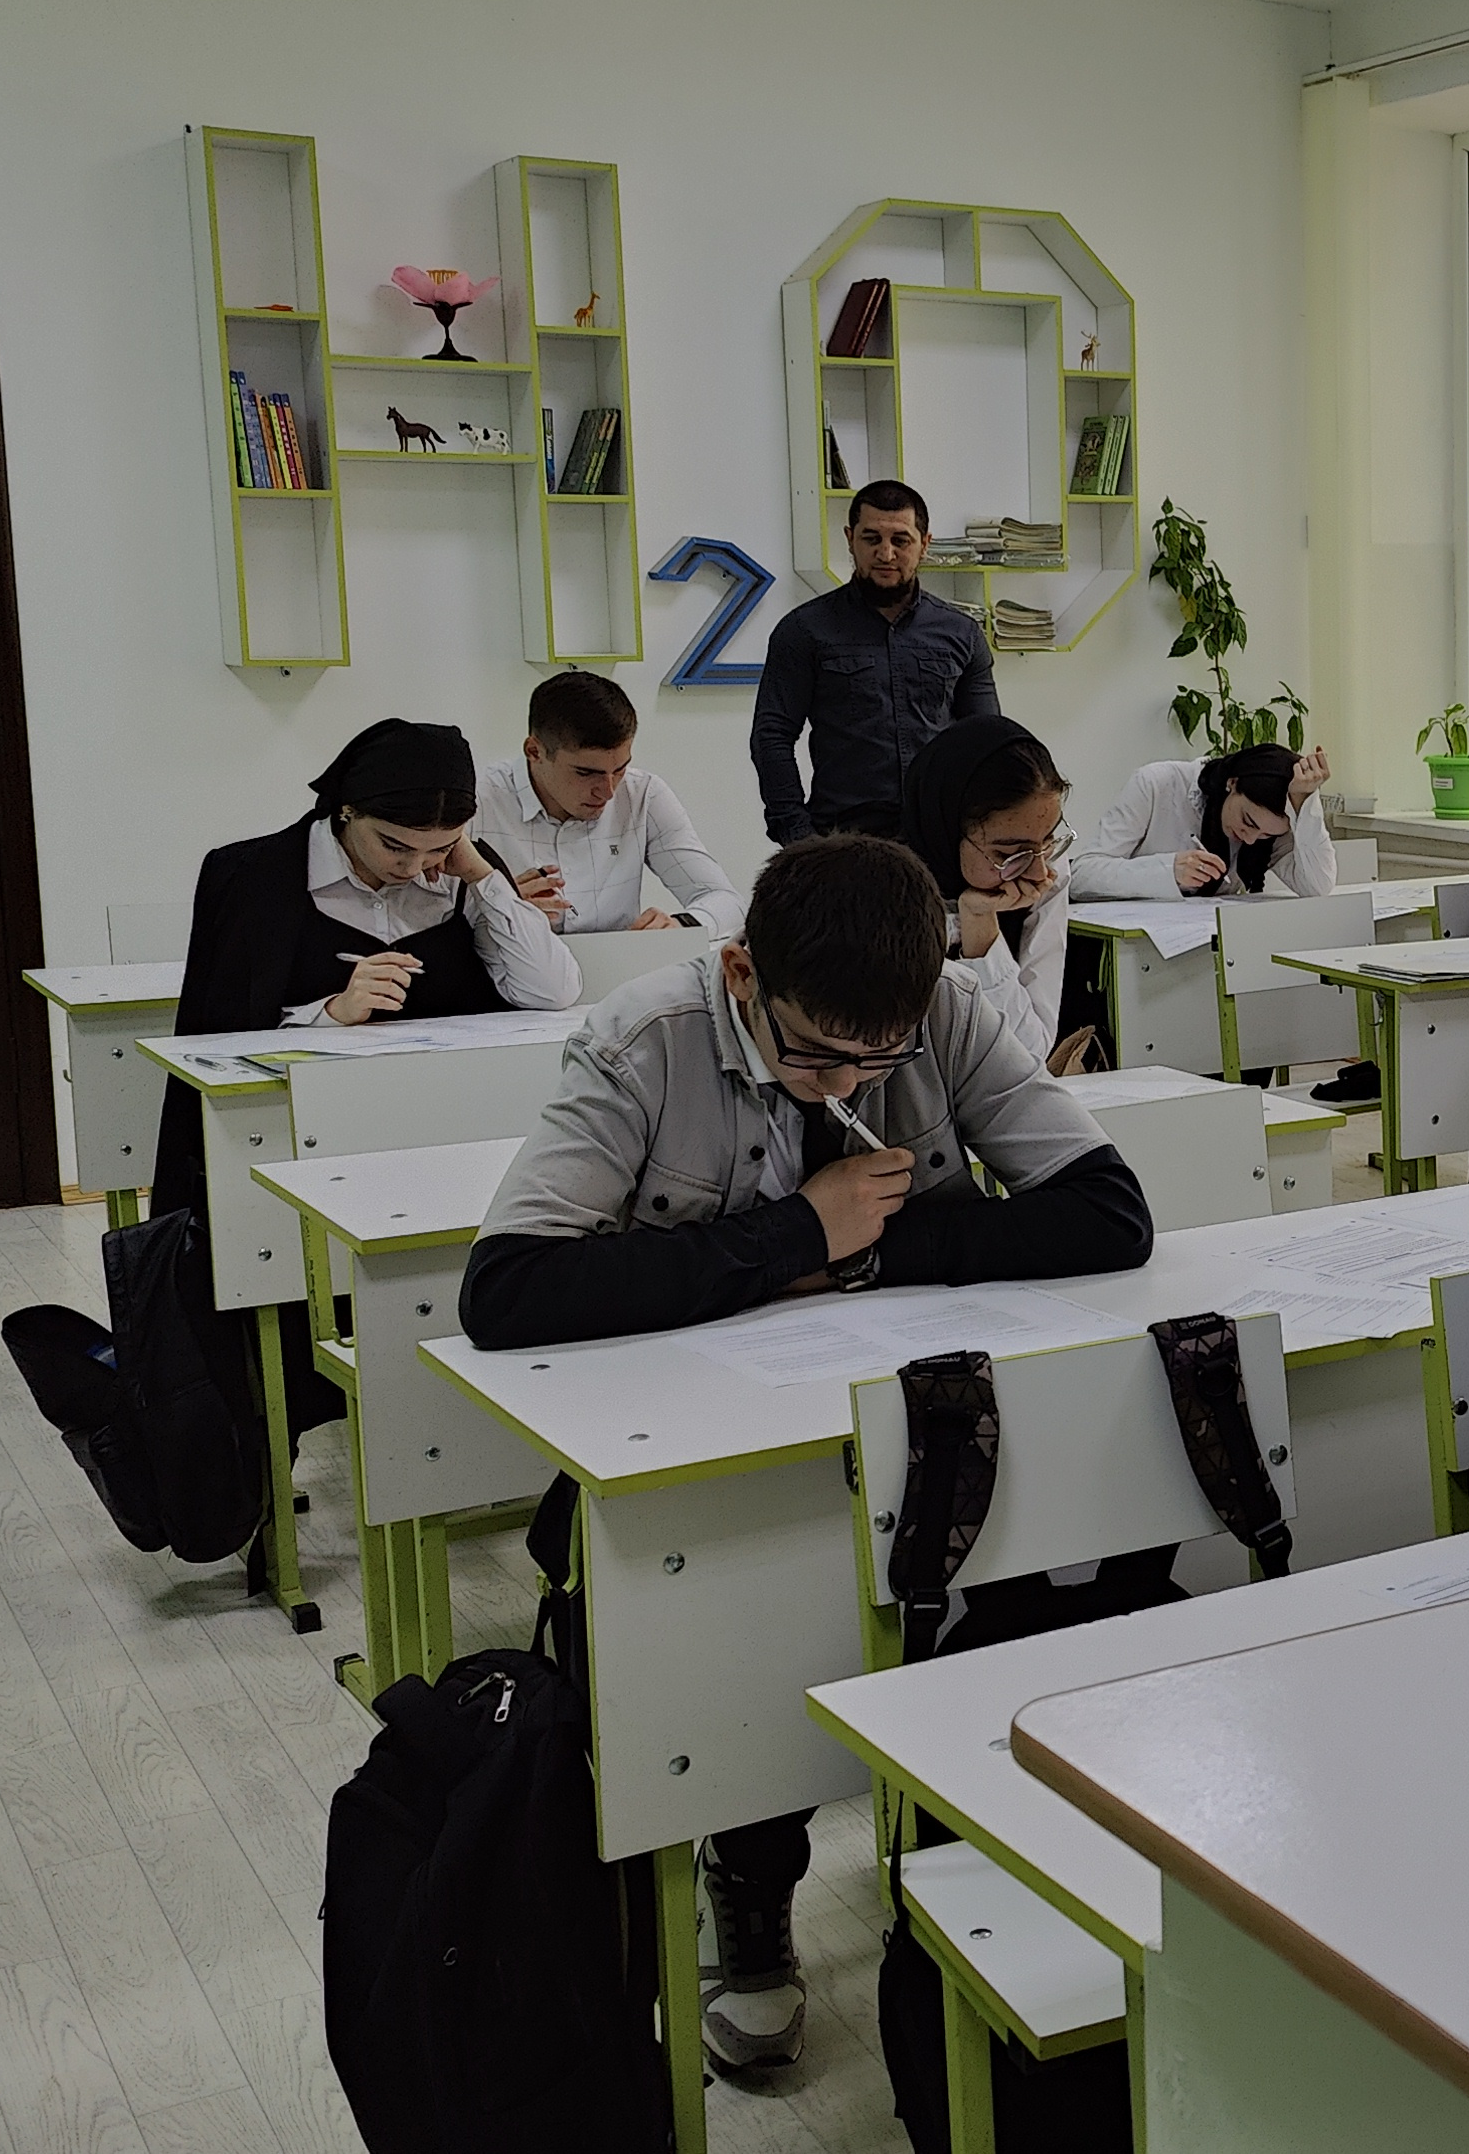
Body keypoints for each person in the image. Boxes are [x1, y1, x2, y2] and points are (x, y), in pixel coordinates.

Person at [461, 835, 1154, 2076]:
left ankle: (966, 1871)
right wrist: (792, 1234)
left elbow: (1111, 1211)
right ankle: (749, 1871)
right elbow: (507, 1289)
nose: (849, 1081)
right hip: (700, 1445)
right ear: (741, 972)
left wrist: (874, 1249)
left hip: (915, 1421)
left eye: (879, 1058)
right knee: (753, 1627)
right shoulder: (643, 1041)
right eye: (816, 1054)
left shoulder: (941, 1010)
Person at [160, 717, 577, 1435]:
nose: (415, 867)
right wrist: (330, 1014)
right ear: (344, 810)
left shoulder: (466, 876)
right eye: (394, 845)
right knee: (284, 1328)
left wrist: (479, 875)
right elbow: (213, 1041)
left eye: (438, 848)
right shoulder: (252, 875)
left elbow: (551, 992)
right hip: (293, 1151)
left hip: (440, 1142)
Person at [751, 480, 1000, 842]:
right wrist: (798, 836)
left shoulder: (962, 633)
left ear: (924, 544)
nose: (886, 554)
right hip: (842, 839)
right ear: (850, 539)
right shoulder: (804, 631)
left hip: (940, 837)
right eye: (871, 539)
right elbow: (771, 736)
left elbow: (987, 742)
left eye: (901, 540)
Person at [473, 669, 745, 936]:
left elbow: (727, 901)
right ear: (535, 751)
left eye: (620, 769)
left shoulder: (643, 794)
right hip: (505, 964)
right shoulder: (477, 802)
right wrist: (496, 908)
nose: (608, 791)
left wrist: (680, 925)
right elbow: (446, 922)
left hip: (623, 964)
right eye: (585, 773)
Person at [895, 715, 1075, 1067]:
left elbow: (1025, 1056)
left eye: (1049, 839)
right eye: (1009, 855)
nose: (1039, 872)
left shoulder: (1046, 870)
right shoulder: (883, 886)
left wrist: (980, 925)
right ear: (946, 833)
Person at [1070, 742, 1338, 899]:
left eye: (1267, 836)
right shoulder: (1157, 784)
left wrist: (1306, 802)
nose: (1250, 839)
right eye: (1248, 821)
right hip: (1130, 949)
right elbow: (1082, 875)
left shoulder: (1274, 830)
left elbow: (1318, 887)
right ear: (1233, 783)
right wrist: (1168, 870)